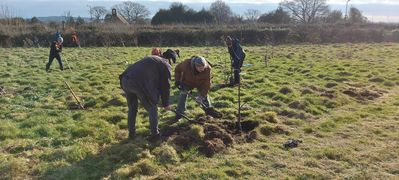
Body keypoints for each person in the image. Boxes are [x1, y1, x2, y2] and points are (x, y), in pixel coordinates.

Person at [119, 55, 172, 142]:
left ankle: (131, 134)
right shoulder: (166, 66)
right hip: (137, 83)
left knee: (132, 108)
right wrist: (166, 104)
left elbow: (155, 82)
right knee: (153, 107)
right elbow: (165, 86)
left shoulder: (154, 60)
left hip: (125, 80)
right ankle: (155, 135)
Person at [173, 56, 216, 121]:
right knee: (183, 95)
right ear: (195, 66)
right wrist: (177, 80)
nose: (202, 70)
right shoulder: (186, 64)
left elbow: (207, 84)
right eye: (200, 68)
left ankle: (209, 112)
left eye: (203, 68)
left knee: (205, 97)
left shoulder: (207, 69)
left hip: (201, 83)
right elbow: (177, 69)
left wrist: (201, 97)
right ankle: (179, 114)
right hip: (187, 82)